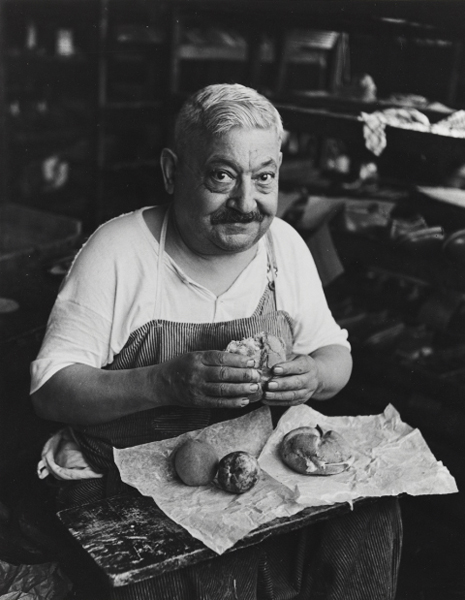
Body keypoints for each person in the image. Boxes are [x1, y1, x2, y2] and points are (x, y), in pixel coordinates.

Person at [30, 83, 402, 600]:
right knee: (156, 579)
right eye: (222, 176)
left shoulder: (285, 248)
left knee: (368, 518)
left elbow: (336, 356)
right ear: (171, 171)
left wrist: (315, 374)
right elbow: (51, 390)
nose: (245, 203)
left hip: (250, 473)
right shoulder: (118, 251)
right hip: (126, 479)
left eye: (264, 178)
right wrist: (162, 382)